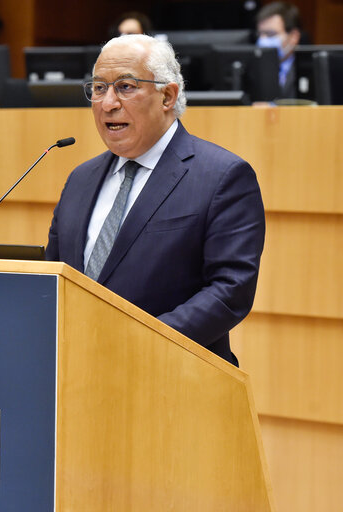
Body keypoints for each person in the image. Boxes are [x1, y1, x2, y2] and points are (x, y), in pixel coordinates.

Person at [46, 34, 265, 366]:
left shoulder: (222, 176)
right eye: (99, 88)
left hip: (172, 376)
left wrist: (140, 343)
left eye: (126, 87)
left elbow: (230, 290)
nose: (108, 103)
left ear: (167, 95)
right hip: (78, 374)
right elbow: (54, 276)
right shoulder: (80, 179)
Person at [256, 2, 301, 99]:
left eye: (271, 34)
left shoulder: (308, 69)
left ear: (293, 37)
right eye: (260, 34)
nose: (262, 40)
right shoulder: (250, 70)